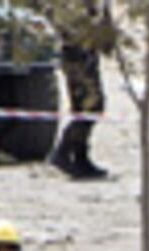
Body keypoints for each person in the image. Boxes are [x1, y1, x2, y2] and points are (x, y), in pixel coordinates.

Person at [47, 0, 114, 180]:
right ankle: (63, 151)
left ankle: (80, 157)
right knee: (92, 106)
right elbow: (68, 23)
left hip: (85, 51)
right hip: (77, 52)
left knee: (83, 107)